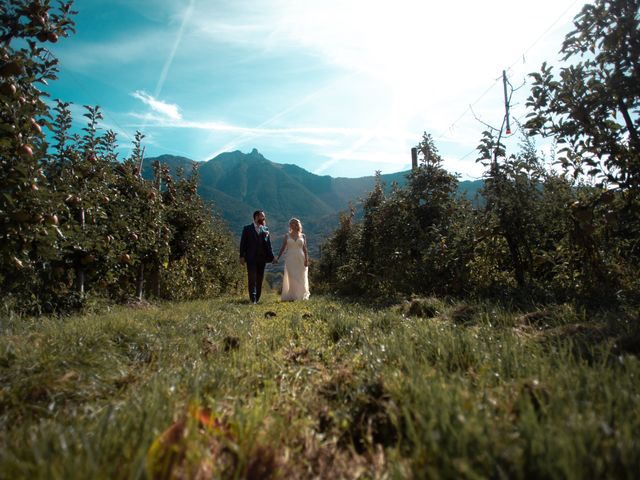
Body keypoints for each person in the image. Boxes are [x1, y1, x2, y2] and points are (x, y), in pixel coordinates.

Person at [239, 210, 275, 304]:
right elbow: (243, 243)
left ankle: (257, 298)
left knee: (259, 279)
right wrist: (241, 256)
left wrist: (273, 257)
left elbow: (268, 245)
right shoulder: (247, 229)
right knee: (252, 279)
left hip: (262, 259)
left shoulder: (265, 229)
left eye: (264, 217)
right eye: (262, 216)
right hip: (251, 258)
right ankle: (253, 300)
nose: (263, 218)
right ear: (256, 217)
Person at [275, 218, 310, 301]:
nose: (293, 224)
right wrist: (278, 257)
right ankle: (292, 296)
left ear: (298, 225)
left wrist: (306, 260)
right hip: (290, 258)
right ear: (290, 225)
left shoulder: (303, 236)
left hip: (300, 258)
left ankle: (301, 295)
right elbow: (283, 248)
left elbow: (305, 249)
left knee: (301, 276)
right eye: (291, 223)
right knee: (291, 276)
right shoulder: (287, 235)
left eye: (295, 223)